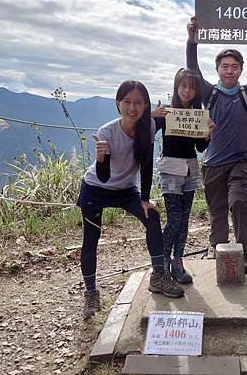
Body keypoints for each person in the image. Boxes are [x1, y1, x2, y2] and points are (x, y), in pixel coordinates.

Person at [77, 81, 184, 319]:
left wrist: (145, 199)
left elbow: (146, 166)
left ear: (145, 105)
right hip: (96, 189)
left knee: (152, 216)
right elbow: (103, 177)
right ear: (118, 103)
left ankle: (158, 276)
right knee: (91, 239)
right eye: (127, 102)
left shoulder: (147, 127)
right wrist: (101, 159)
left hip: (126, 190)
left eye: (138, 103)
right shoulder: (106, 132)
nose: (132, 108)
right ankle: (91, 292)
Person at [186, 15, 247, 273]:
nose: (229, 70)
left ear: (240, 69)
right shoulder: (210, 94)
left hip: (240, 161)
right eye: (225, 66)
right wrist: (191, 41)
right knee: (216, 212)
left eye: (234, 66)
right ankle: (218, 251)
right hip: (213, 164)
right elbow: (193, 71)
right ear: (217, 70)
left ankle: (243, 252)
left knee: (239, 203)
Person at [151, 69, 215, 284]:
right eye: (183, 86)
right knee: (174, 218)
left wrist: (207, 135)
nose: (187, 91)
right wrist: (151, 116)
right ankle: (163, 263)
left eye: (192, 87)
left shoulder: (198, 114)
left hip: (190, 168)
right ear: (176, 87)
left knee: (185, 219)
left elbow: (199, 147)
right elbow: (147, 133)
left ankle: (177, 261)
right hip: (170, 168)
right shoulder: (167, 112)